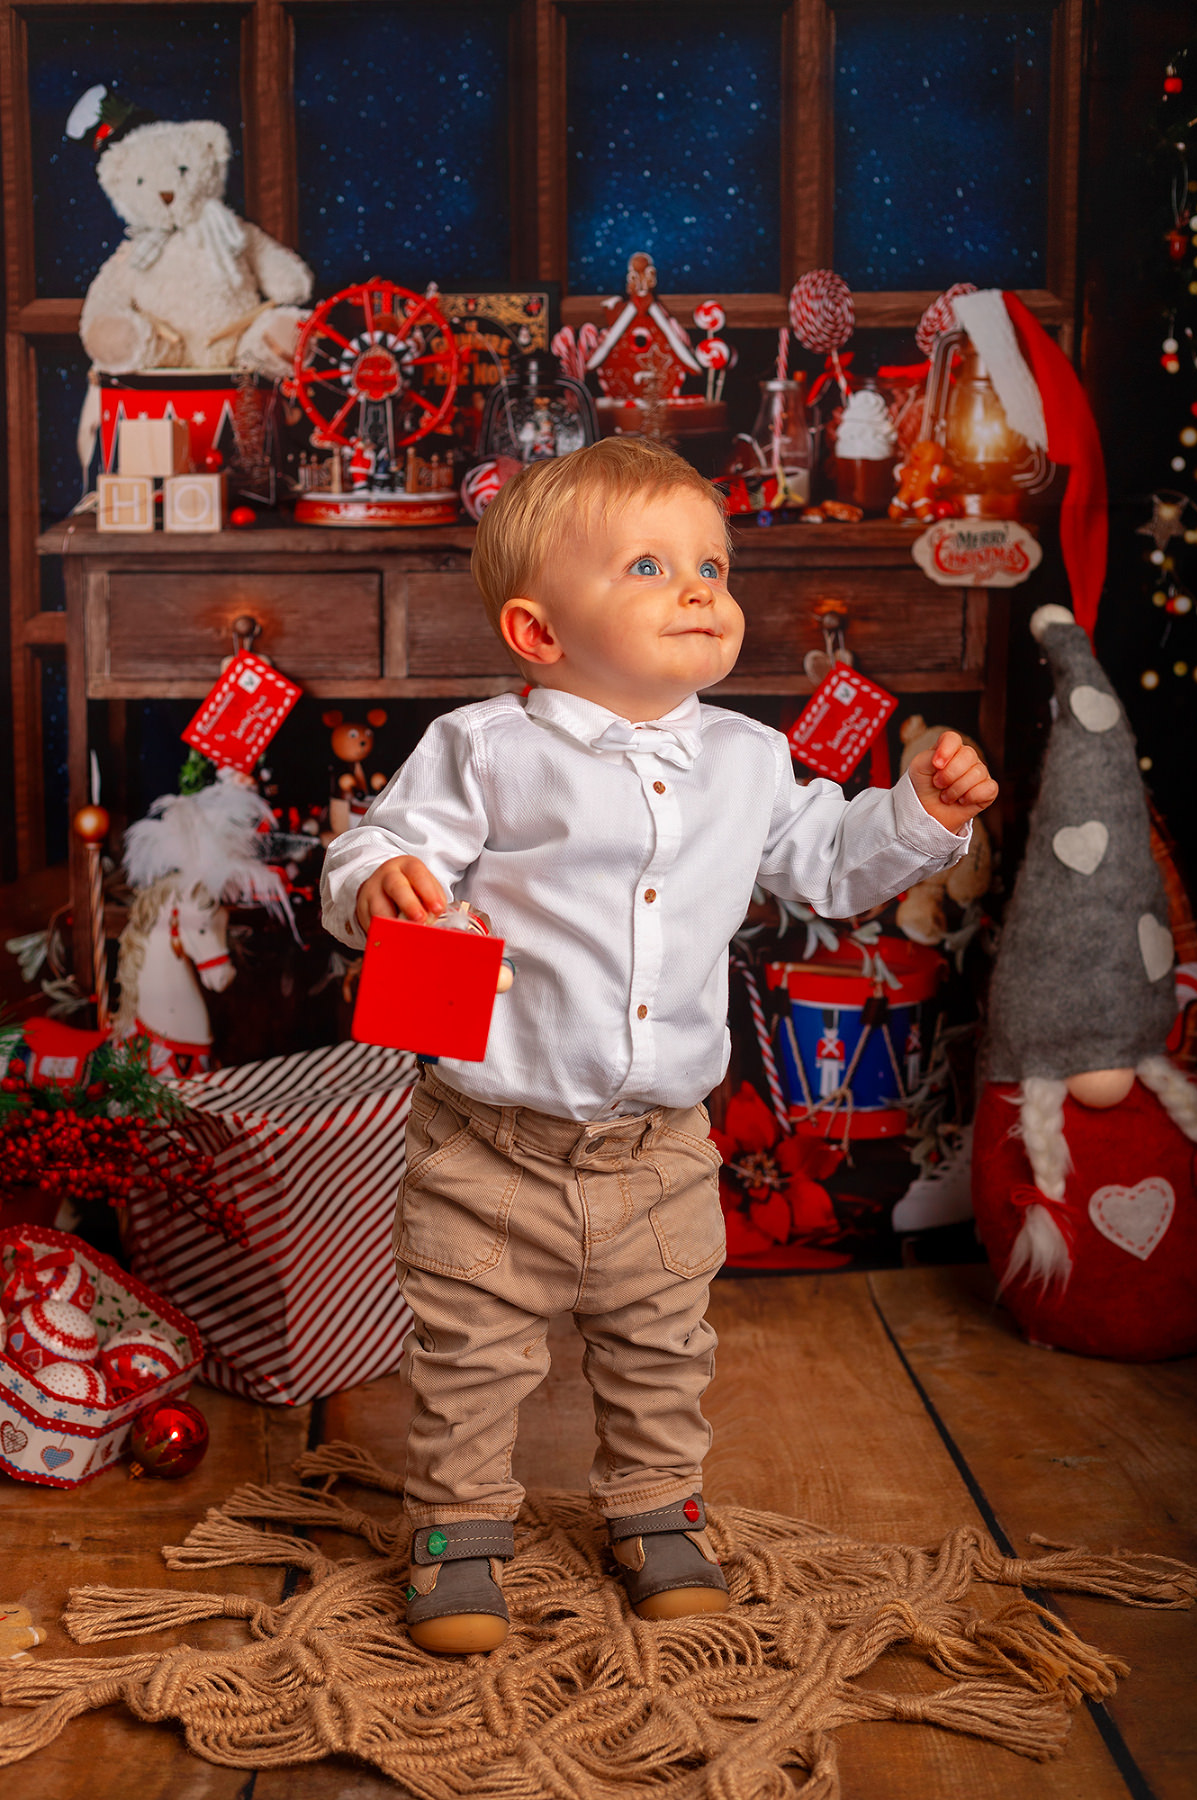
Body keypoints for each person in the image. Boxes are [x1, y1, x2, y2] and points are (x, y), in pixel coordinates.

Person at [321, 437, 997, 1654]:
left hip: (659, 1147)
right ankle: (458, 1530)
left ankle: (656, 1514)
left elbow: (833, 862)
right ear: (538, 632)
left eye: (713, 565)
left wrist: (922, 816)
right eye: (650, 565)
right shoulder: (485, 749)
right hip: (493, 1140)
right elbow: (372, 846)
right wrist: (386, 882)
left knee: (659, 1343)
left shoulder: (747, 759)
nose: (701, 589)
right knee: (473, 1350)